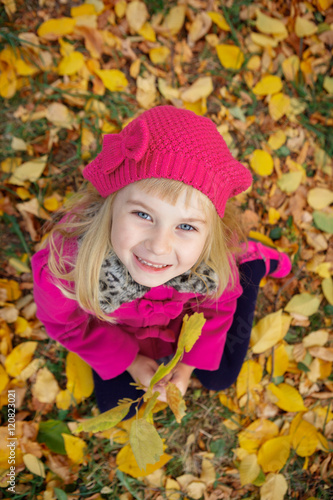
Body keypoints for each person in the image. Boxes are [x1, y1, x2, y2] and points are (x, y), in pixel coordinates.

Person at [31, 105, 292, 418]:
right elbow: (66, 324)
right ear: (110, 204)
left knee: (218, 377)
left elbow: (217, 310)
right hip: (127, 337)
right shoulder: (67, 267)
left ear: (209, 235)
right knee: (116, 407)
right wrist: (131, 361)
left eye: (185, 226)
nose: (158, 246)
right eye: (143, 215)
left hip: (181, 326)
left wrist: (187, 365)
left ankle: (252, 263)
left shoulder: (209, 262)